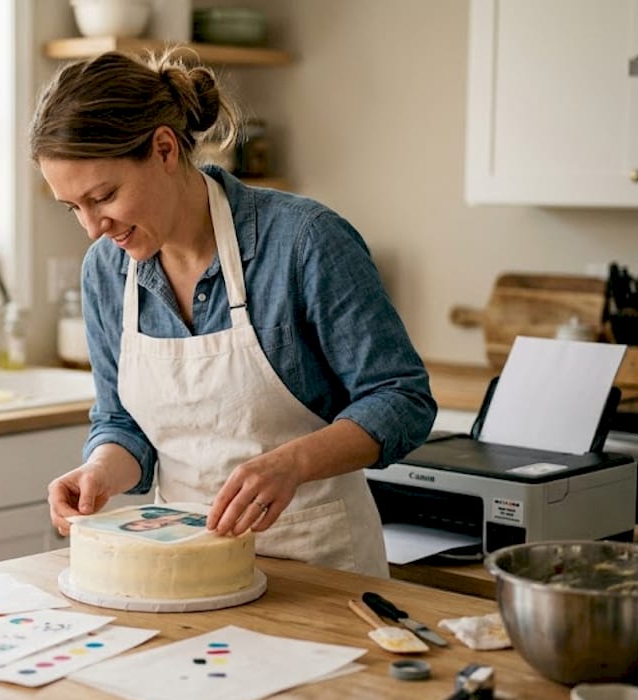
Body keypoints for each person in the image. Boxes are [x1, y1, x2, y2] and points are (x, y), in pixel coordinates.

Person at [31, 51, 436, 578]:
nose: (92, 227)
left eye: (103, 196)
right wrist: (100, 470)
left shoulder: (303, 242)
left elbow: (403, 399)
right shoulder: (106, 271)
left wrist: (292, 463)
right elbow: (122, 421)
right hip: (187, 566)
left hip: (319, 566)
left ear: (163, 148)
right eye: (73, 207)